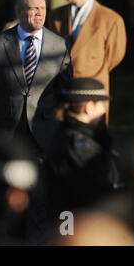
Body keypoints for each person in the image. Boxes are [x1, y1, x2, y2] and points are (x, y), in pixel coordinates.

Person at [0, 0, 72, 244]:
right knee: (8, 198)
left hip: (45, 135)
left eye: (43, 8)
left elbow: (66, 93)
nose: (39, 13)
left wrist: (66, 131)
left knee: (39, 199)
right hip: (8, 134)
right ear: (19, 12)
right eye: (33, 8)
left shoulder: (58, 45)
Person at [47, 0, 127, 119]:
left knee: (92, 137)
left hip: (93, 91)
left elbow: (114, 56)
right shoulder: (55, 16)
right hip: (64, 89)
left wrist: (90, 67)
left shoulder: (111, 20)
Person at [44, 78, 122, 224]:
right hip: (76, 222)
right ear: (89, 107)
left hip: (74, 219)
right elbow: (107, 182)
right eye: (100, 104)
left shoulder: (70, 133)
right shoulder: (78, 145)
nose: (104, 110)